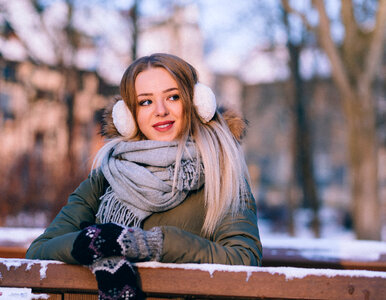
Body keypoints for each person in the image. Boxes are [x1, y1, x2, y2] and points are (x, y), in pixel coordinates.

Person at [26, 53, 262, 300]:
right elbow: (39, 252)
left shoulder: (221, 174)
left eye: (173, 97)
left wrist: (153, 244)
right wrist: (97, 245)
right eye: (145, 102)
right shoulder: (105, 177)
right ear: (128, 116)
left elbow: (243, 259)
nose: (161, 111)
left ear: (195, 103)